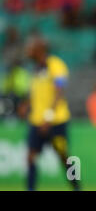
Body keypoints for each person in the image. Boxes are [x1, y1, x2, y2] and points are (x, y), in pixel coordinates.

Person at [19, 37, 80, 191]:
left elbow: (59, 91)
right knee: (30, 157)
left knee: (64, 157)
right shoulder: (35, 69)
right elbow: (36, 93)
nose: (28, 51)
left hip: (56, 120)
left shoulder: (55, 64)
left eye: (30, 47)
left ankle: (77, 187)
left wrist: (48, 117)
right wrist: (26, 104)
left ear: (40, 49)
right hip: (36, 121)